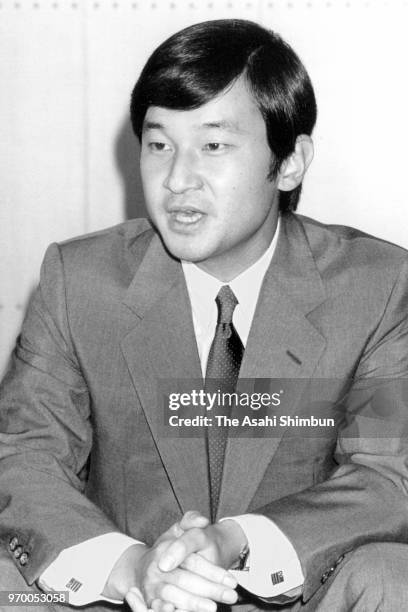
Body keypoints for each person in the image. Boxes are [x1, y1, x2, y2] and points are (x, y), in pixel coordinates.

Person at [1, 17, 408, 612]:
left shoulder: (376, 287)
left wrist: (234, 542)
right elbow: (25, 456)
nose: (176, 180)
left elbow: (387, 479)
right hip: (124, 594)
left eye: (213, 145)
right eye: (158, 144)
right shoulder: (79, 281)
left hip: (297, 595)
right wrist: (134, 569)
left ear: (290, 161)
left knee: (391, 577)